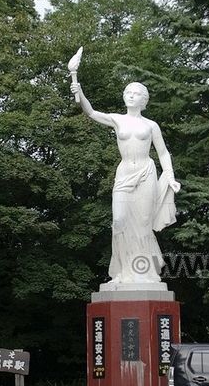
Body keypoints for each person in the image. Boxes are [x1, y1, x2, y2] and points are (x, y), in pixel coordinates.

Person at [70, 79, 180, 286]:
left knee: (143, 224)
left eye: (136, 93)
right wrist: (80, 91)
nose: (130, 95)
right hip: (124, 176)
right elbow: (92, 113)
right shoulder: (117, 120)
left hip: (146, 175)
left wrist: (170, 177)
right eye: (127, 91)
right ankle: (121, 272)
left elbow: (163, 153)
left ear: (144, 100)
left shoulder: (151, 125)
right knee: (119, 222)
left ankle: (145, 273)